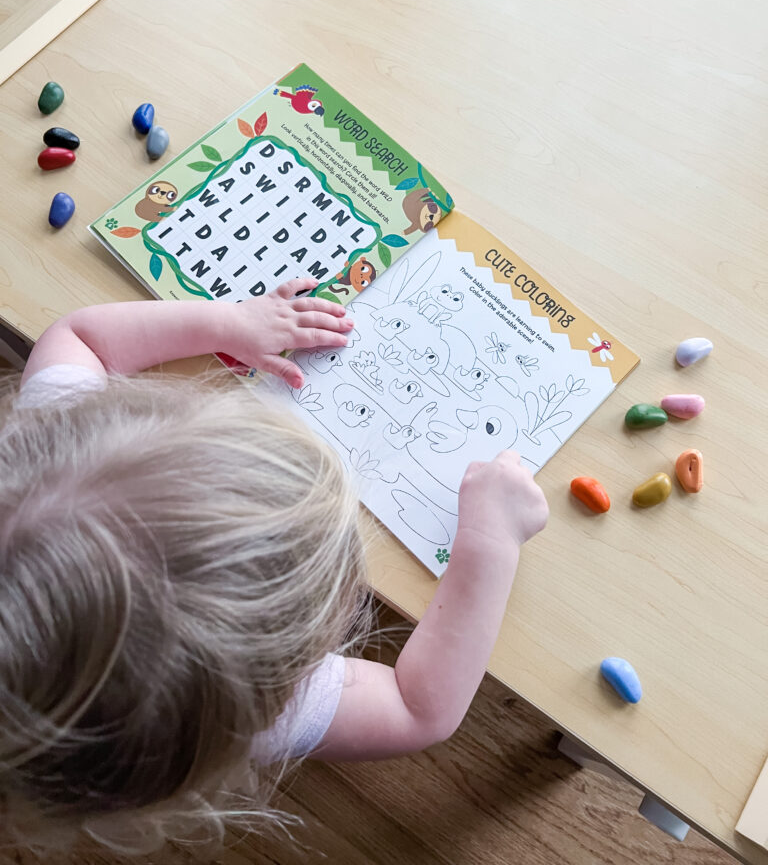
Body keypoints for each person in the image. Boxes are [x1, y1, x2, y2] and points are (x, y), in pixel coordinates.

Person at [0, 279, 548, 853]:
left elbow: (81, 336)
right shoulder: (238, 710)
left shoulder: (49, 466)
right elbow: (419, 709)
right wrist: (491, 540)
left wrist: (229, 324)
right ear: (281, 665)